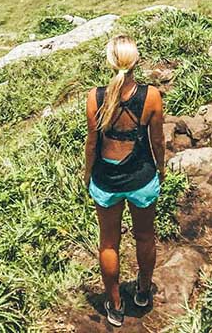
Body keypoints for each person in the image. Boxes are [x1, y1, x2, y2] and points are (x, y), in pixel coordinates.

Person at [84, 36, 165, 327]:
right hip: (141, 177)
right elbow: (158, 141)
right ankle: (143, 292)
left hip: (106, 181)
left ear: (110, 62)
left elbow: (92, 144)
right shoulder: (151, 96)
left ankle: (115, 305)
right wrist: (161, 170)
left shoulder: (95, 97)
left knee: (108, 243)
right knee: (145, 236)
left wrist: (87, 174)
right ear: (136, 61)